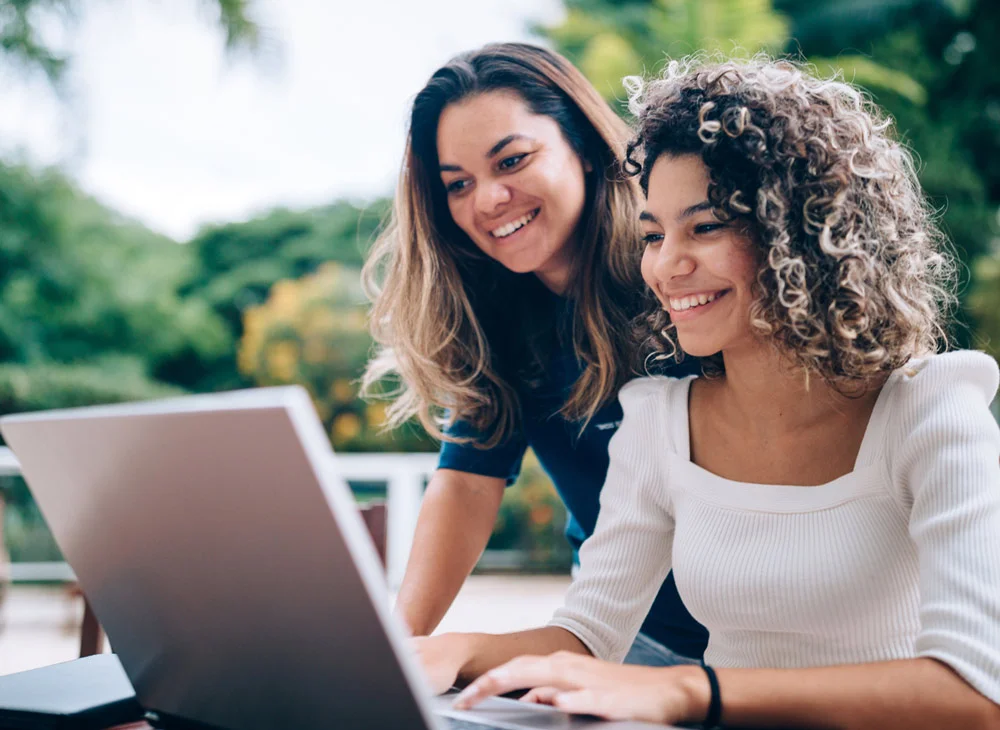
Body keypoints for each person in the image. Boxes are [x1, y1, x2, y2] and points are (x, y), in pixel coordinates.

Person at [414, 56, 1000, 729]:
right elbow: (587, 631)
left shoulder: (932, 412)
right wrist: (448, 651)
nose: (665, 267)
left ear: (799, 233)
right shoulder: (659, 420)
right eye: (654, 235)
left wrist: (692, 692)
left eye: (706, 227)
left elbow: (976, 695)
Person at [361, 42, 708, 665]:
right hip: (617, 639)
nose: (488, 200)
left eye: (513, 161)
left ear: (582, 143)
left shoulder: (684, 280)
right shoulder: (498, 317)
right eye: (458, 184)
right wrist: (393, 648)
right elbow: (467, 482)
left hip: (753, 644)